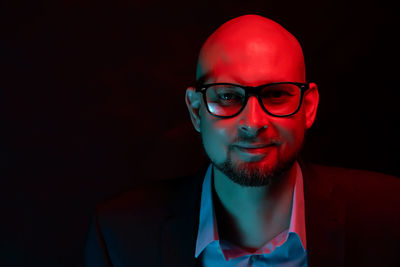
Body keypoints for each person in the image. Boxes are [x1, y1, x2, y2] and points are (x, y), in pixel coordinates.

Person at [85, 14, 400, 267]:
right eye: (227, 96)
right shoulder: (119, 236)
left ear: (308, 107)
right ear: (196, 111)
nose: (253, 123)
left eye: (276, 94)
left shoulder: (390, 216)